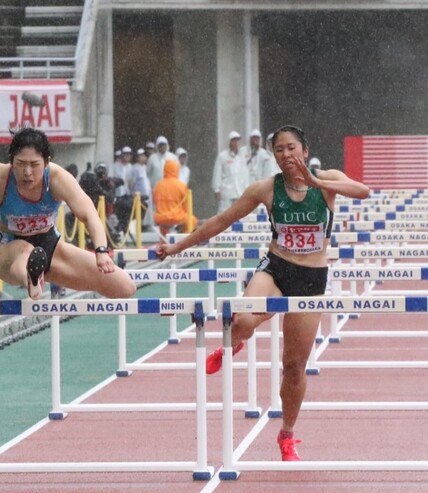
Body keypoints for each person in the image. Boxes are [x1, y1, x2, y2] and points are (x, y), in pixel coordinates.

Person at [155, 125, 370, 462]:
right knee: (239, 320)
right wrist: (177, 246)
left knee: (294, 366)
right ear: (274, 156)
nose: (286, 155)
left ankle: (287, 434)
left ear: (304, 149)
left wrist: (318, 183)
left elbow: (363, 191)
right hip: (277, 268)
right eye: (279, 150)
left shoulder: (326, 179)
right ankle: (236, 341)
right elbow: (222, 220)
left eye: (291, 147)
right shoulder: (266, 189)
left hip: (311, 278)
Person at [0, 127, 136, 300]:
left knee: (124, 287)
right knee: (25, 250)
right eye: (21, 164)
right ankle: (31, 280)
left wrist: (101, 251)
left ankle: (36, 273)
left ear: (47, 162)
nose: (27, 172)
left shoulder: (58, 178)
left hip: (50, 246)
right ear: (11, 161)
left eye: (34, 165)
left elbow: (89, 215)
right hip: (8, 248)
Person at [152, 159, 197, 235]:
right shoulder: (181, 185)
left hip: (160, 218)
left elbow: (155, 202)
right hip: (176, 217)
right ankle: (184, 238)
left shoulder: (158, 186)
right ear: (176, 170)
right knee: (192, 220)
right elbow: (186, 206)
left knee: (164, 226)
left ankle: (164, 239)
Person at [212, 131, 248, 213]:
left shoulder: (242, 157)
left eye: (237, 141)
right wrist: (216, 189)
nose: (236, 143)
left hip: (240, 191)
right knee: (224, 214)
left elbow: (245, 174)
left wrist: (247, 188)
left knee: (239, 214)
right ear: (230, 142)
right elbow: (217, 173)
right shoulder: (223, 156)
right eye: (234, 140)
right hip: (227, 191)